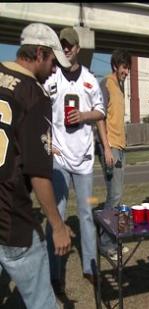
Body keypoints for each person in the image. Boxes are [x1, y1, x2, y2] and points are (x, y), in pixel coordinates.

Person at [0, 23, 73, 309]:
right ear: (40, 53)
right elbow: (38, 173)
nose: (55, 69)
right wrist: (57, 225)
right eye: (53, 61)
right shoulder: (34, 95)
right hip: (12, 219)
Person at [44, 27, 105, 293]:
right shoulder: (51, 77)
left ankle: (91, 267)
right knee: (55, 216)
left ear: (78, 48)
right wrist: (45, 142)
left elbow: (101, 112)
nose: (66, 49)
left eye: (70, 45)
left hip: (84, 160)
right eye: (62, 45)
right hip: (58, 158)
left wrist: (83, 116)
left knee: (85, 215)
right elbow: (38, 111)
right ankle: (54, 273)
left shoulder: (90, 79)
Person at [95, 49, 131, 261]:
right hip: (111, 148)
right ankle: (106, 243)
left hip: (120, 147)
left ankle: (114, 239)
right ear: (116, 66)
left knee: (117, 196)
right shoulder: (106, 83)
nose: (126, 71)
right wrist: (107, 148)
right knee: (114, 195)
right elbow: (99, 118)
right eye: (124, 67)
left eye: (128, 68)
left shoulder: (119, 86)